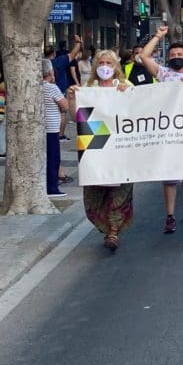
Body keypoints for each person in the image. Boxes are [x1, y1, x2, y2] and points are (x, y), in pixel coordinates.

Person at [66, 51, 132, 251]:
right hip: (95, 148)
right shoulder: (88, 89)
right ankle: (106, 227)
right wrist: (71, 98)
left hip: (120, 148)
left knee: (119, 192)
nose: (105, 66)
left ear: (115, 66)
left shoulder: (126, 86)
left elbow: (136, 112)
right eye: (101, 62)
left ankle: (113, 231)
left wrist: (126, 94)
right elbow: (75, 117)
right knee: (95, 193)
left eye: (109, 63)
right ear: (95, 66)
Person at [139, 26, 183, 232]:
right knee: (170, 176)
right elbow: (144, 56)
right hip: (167, 132)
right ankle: (170, 215)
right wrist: (157, 36)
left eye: (180, 54)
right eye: (172, 54)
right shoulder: (163, 73)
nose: (176, 57)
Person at [41, 59, 69, 197]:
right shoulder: (52, 88)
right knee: (53, 158)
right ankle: (51, 187)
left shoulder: (35, 86)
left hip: (40, 127)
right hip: (51, 127)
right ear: (50, 72)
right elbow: (65, 106)